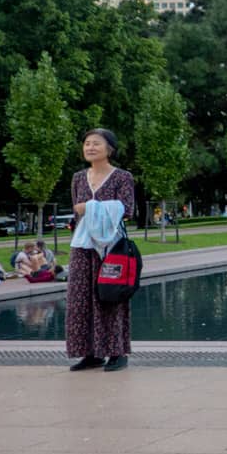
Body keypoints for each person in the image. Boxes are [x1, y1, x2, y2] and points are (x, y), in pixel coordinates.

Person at [65, 128, 137, 372]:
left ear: (110, 149)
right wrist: (84, 211)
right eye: (86, 143)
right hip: (83, 247)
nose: (90, 147)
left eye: (96, 143)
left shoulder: (122, 177)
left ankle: (117, 352)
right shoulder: (78, 178)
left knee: (110, 296)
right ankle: (90, 352)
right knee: (81, 299)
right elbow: (76, 210)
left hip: (110, 248)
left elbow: (127, 209)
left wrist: (91, 207)